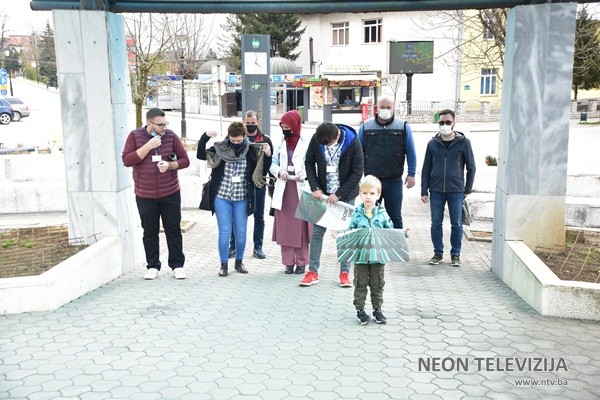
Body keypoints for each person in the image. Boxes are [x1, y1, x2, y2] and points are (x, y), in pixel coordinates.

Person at [122, 107, 190, 280]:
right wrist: (148, 146)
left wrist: (170, 165)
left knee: (173, 229)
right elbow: (127, 160)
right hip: (145, 194)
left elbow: (185, 160)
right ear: (149, 123)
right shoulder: (135, 136)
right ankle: (153, 266)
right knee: (150, 231)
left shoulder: (171, 136)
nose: (164, 128)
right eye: (160, 125)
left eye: (165, 124)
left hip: (170, 192)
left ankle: (177, 265)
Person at [197, 122, 271, 277]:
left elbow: (263, 169)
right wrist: (205, 137)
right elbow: (201, 155)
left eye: (239, 140)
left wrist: (268, 154)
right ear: (229, 136)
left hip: (242, 198)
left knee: (241, 232)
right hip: (222, 197)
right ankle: (223, 264)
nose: (236, 143)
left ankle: (239, 262)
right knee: (224, 231)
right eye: (233, 140)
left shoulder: (251, 150)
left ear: (244, 136)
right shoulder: (221, 148)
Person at [301, 122, 364, 287]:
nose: (326, 147)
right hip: (321, 195)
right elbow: (309, 162)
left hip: (345, 195)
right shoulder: (317, 138)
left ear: (337, 136)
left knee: (344, 234)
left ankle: (345, 273)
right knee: (317, 233)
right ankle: (312, 272)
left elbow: (358, 171)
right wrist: (315, 187)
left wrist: (339, 194)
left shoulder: (352, 141)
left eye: (328, 144)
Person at [421, 109, 476, 267]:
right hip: (436, 189)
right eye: (441, 122)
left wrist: (467, 189)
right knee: (436, 223)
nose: (444, 125)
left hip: (456, 190)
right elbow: (426, 168)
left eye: (447, 122)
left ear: (454, 123)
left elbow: (471, 167)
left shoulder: (464, 143)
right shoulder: (432, 143)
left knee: (456, 224)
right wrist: (424, 191)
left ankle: (455, 254)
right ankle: (438, 253)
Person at [357, 96, 417, 229]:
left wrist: (411, 173)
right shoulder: (365, 127)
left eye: (388, 107)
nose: (385, 110)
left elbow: (411, 151)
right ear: (377, 108)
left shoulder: (403, 126)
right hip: (372, 181)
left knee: (394, 216)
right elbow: (357, 153)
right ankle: (372, 242)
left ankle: (397, 242)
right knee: (370, 215)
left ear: (393, 108)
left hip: (393, 181)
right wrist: (357, 177)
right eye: (382, 107)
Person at [270, 110, 312, 275]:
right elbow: (272, 163)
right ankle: (288, 262)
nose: (285, 130)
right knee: (285, 227)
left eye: (288, 127)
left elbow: (312, 163)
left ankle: (301, 262)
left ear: (295, 126)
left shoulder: (306, 142)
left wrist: (304, 173)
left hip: (301, 188)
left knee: (302, 228)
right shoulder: (280, 142)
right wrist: (279, 171)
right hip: (285, 188)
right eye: (283, 127)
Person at [347, 175, 394, 325]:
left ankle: (377, 310)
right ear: (360, 194)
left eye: (372, 193)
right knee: (360, 284)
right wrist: (340, 235)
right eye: (365, 193)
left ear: (378, 195)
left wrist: (403, 233)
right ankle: (360, 310)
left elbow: (390, 231)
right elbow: (350, 231)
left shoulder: (383, 214)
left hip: (378, 257)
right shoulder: (356, 214)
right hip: (361, 257)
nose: (368, 196)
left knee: (377, 284)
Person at [228, 110, 274, 260]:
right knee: (237, 216)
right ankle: (233, 246)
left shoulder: (265, 139)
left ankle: (258, 247)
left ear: (258, 122)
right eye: (247, 123)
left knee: (259, 216)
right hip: (240, 184)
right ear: (243, 123)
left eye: (253, 123)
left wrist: (268, 154)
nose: (250, 125)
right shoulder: (237, 137)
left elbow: (269, 165)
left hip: (258, 184)